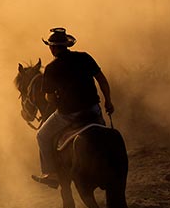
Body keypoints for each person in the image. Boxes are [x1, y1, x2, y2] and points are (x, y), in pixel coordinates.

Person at [32, 27, 114, 188]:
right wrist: (108, 102)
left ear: (53, 48)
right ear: (67, 44)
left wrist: (57, 103)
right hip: (93, 109)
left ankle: (51, 173)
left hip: (68, 114)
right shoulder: (85, 57)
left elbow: (49, 97)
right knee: (106, 137)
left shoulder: (51, 68)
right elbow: (102, 81)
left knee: (42, 135)